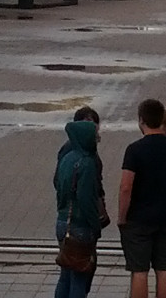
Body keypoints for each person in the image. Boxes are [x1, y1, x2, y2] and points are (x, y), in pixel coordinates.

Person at [118, 99, 166, 298]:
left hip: (138, 218)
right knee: (163, 268)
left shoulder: (134, 150)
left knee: (139, 271)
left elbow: (126, 187)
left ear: (142, 120)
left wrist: (122, 217)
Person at [53, 118, 103, 298]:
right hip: (80, 226)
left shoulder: (67, 158)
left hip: (62, 222)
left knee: (65, 275)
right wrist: (96, 226)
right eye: (94, 136)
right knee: (80, 278)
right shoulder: (87, 163)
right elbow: (86, 199)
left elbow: (58, 186)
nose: (97, 139)